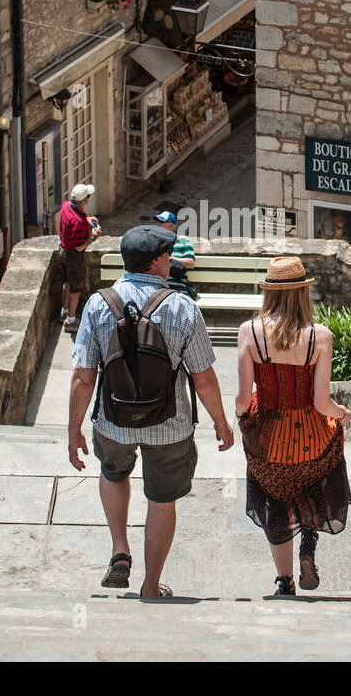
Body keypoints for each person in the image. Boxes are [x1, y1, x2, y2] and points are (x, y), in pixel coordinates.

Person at [68, 224, 235, 598]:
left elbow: (83, 377)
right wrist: (220, 422)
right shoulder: (182, 307)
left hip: (113, 422)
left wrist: (73, 429)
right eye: (168, 254)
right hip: (170, 425)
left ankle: (119, 551)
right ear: (158, 261)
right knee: (161, 499)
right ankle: (150, 585)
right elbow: (203, 377)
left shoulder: (98, 303)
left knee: (113, 473)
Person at [235, 256, 351, 596]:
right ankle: (309, 542)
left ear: (268, 294)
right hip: (311, 437)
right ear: (303, 293)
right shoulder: (320, 336)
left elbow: (243, 399)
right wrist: (341, 414)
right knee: (316, 470)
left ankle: (285, 580)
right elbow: (321, 403)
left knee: (275, 495)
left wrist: (246, 424)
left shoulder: (249, 332)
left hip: (269, 437)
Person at [58, 183, 100, 330]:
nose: (89, 198)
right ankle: (71, 321)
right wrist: (94, 237)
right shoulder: (78, 223)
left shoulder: (66, 205)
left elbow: (75, 217)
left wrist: (86, 219)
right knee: (76, 289)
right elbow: (79, 246)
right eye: (88, 196)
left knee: (66, 282)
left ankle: (64, 311)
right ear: (84, 201)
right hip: (73, 257)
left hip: (63, 250)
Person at [152, 210, 196, 297]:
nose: (157, 224)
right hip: (157, 287)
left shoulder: (182, 240)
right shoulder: (153, 241)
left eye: (161, 222)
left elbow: (191, 263)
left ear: (171, 226)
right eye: (156, 221)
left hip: (177, 288)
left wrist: (168, 259)